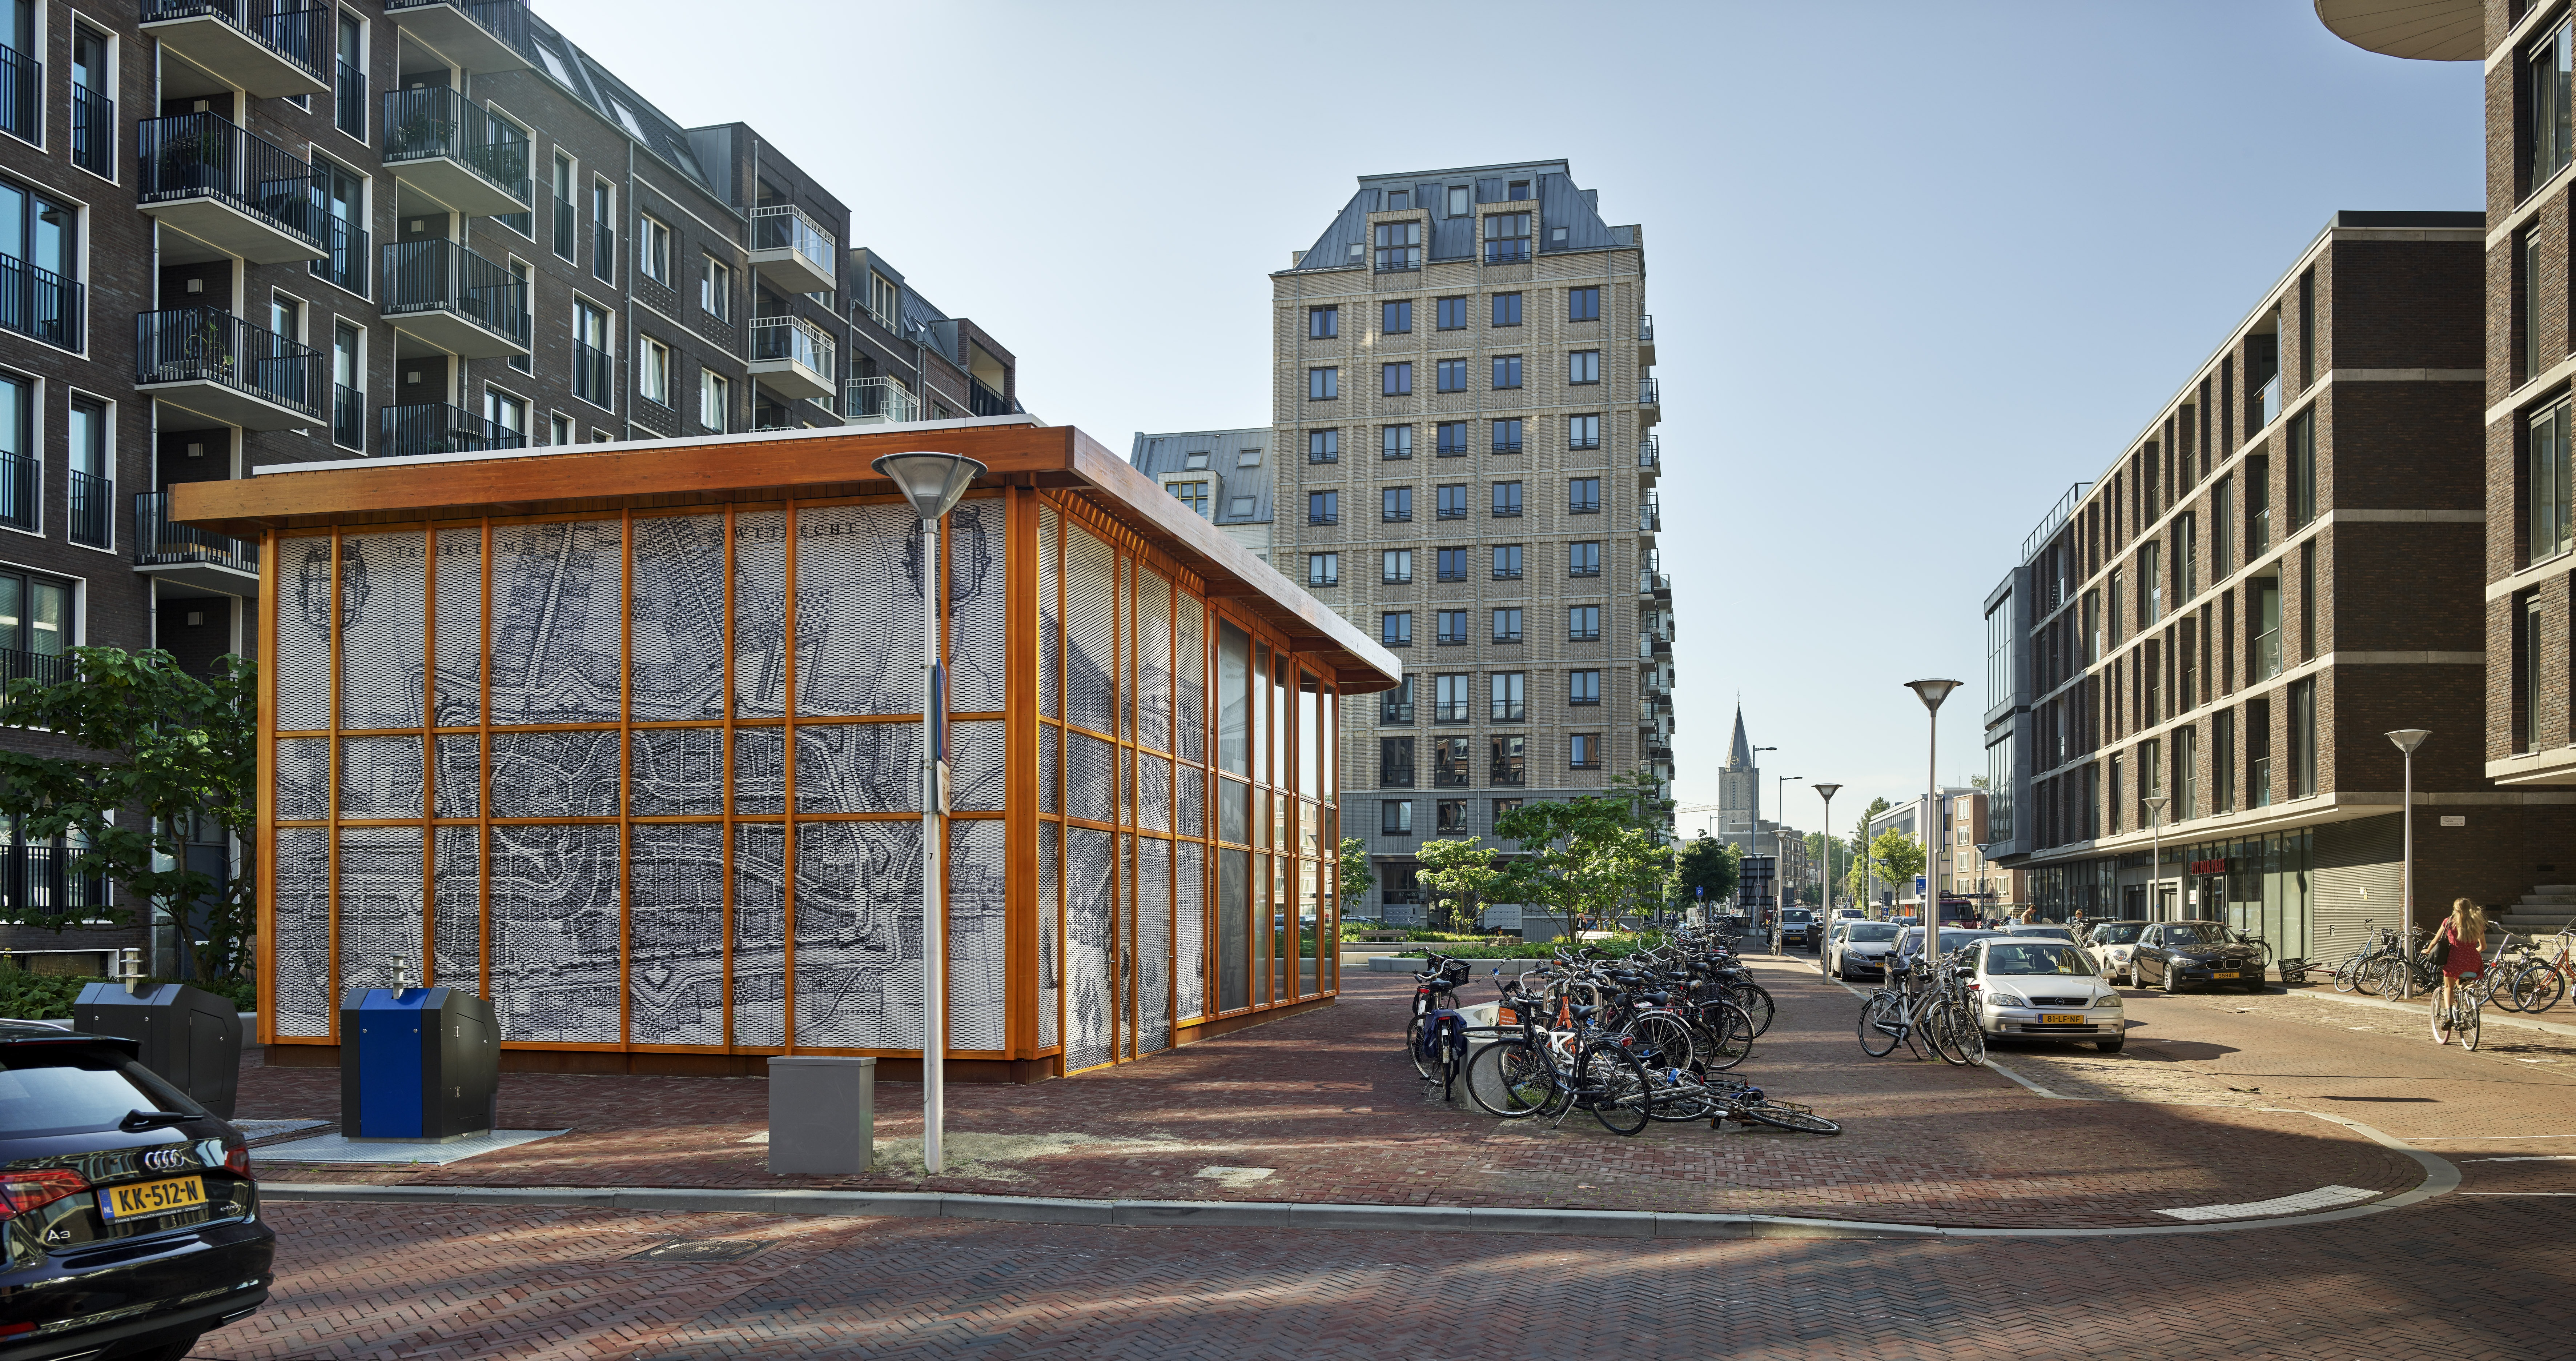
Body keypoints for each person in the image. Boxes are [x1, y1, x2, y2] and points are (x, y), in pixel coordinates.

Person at [2428, 898, 2488, 1045]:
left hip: (2454, 961)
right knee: (2464, 983)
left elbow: (2436, 941)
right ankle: (2469, 1010)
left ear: (2455, 909)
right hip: (2473, 961)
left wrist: (2427, 951)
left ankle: (2449, 1015)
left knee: (2449, 987)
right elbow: (2483, 947)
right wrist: (2472, 954)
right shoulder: (2477, 924)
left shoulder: (2449, 922)